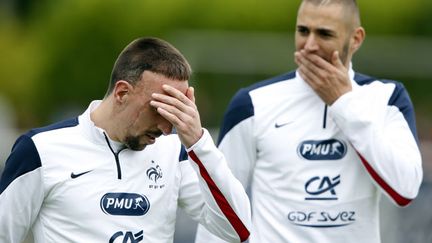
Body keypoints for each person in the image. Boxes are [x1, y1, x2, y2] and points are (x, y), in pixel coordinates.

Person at [195, 0, 423, 242]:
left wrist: (342, 103)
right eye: (303, 31)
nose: (310, 45)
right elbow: (220, 207)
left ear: (355, 39)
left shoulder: (387, 98)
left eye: (324, 34)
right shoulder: (252, 103)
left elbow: (405, 189)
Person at [0, 37, 251, 243]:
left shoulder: (174, 152)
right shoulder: (40, 150)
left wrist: (199, 142)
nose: (166, 128)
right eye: (158, 110)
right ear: (122, 92)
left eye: (174, 113)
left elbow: (238, 229)